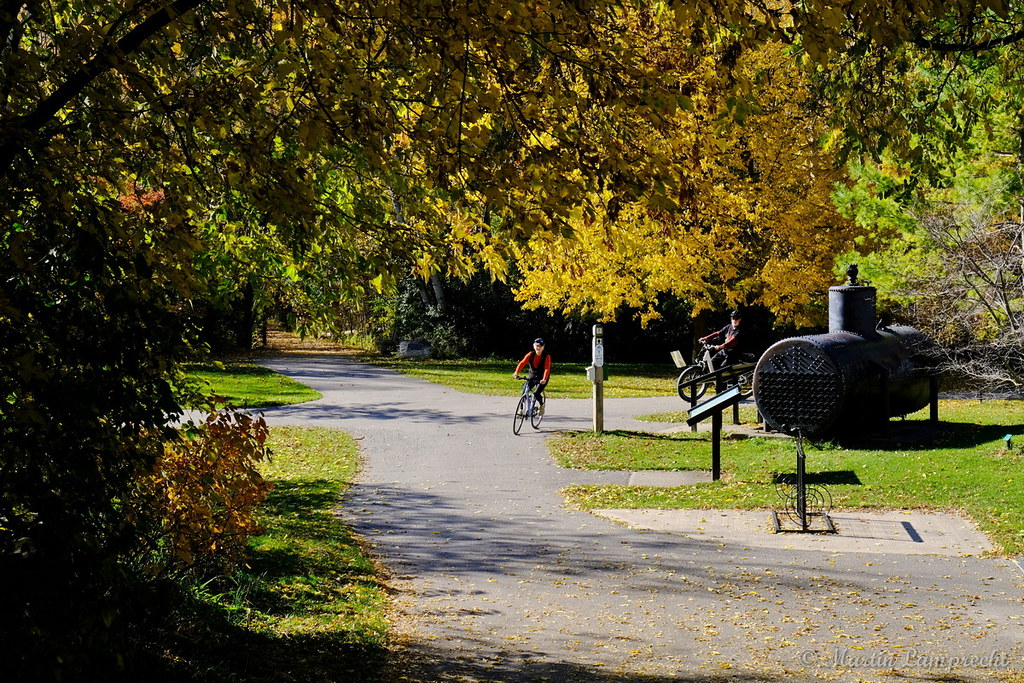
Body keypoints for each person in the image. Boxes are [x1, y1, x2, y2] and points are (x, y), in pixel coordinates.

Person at [513, 338, 551, 414]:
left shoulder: (547, 356)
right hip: (532, 376)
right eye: (537, 345)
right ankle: (521, 409)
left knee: (536, 393)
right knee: (524, 391)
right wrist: (516, 372)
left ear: (543, 347)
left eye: (541, 346)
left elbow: (547, 369)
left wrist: (544, 379)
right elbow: (522, 363)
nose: (539, 347)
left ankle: (541, 405)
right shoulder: (530, 354)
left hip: (542, 377)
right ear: (534, 346)